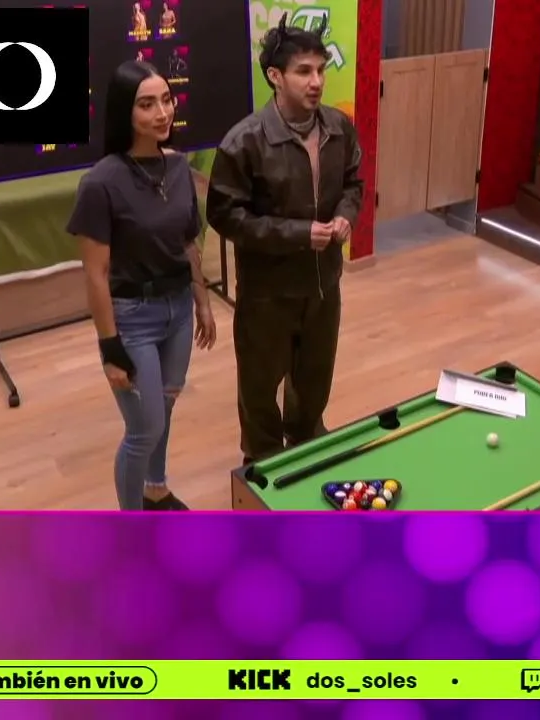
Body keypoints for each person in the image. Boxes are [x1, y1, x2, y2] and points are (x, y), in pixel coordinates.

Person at [206, 14, 363, 464]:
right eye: (303, 71)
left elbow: (354, 183)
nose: (317, 82)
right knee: (259, 386)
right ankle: (261, 460)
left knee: (314, 378)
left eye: (321, 70)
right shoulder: (244, 142)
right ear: (275, 76)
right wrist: (297, 234)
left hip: (324, 285)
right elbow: (225, 215)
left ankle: (306, 440)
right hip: (267, 293)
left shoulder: (339, 127)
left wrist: (345, 215)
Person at [66, 60, 216, 510]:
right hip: (132, 319)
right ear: (124, 113)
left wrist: (203, 301)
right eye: (147, 104)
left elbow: (187, 242)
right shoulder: (100, 183)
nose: (162, 113)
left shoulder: (178, 167)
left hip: (178, 310)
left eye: (166, 100)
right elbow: (95, 273)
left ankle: (156, 487)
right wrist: (110, 347)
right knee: (144, 428)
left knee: (164, 408)